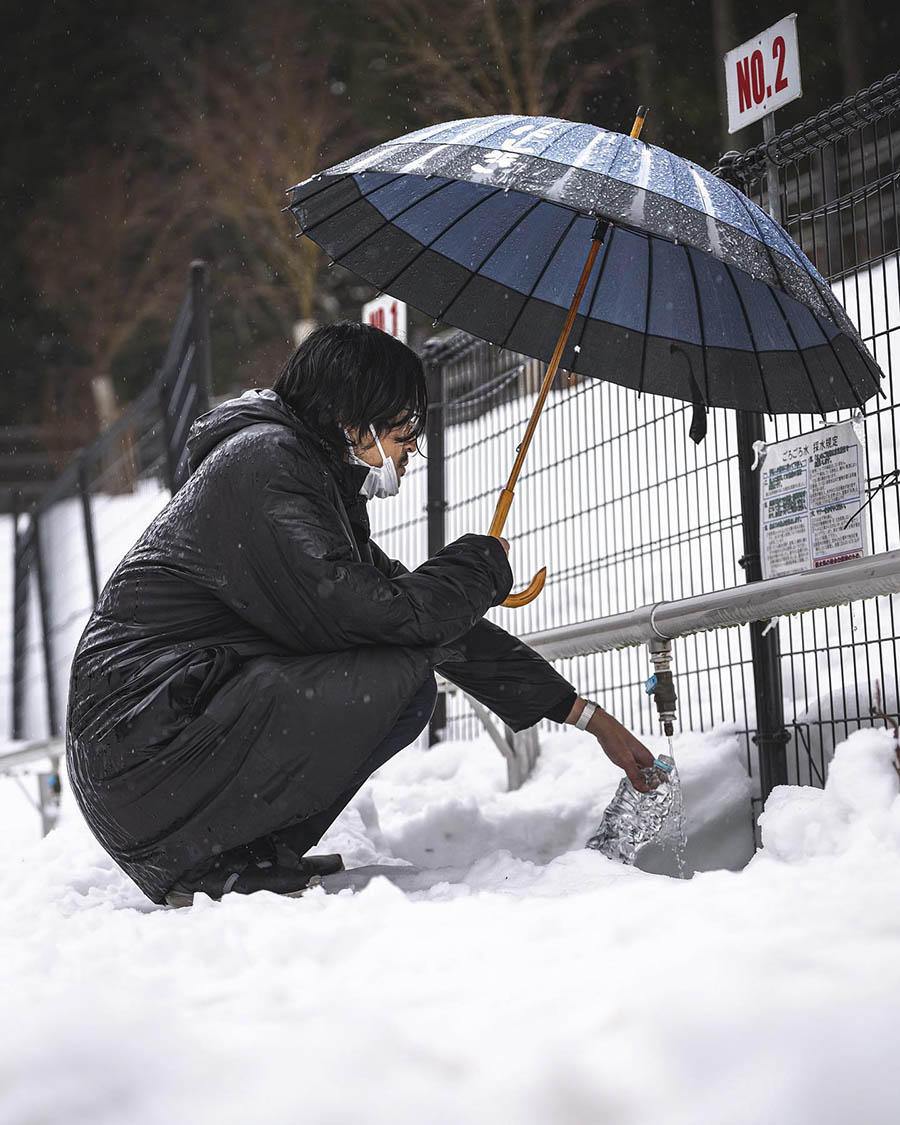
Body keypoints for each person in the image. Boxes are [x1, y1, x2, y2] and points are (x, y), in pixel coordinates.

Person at [66, 322, 656, 906]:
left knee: (403, 683)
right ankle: (214, 865)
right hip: (145, 752)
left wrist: (586, 716)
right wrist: (479, 568)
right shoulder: (268, 469)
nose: (410, 452)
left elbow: (417, 617)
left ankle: (249, 854)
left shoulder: (303, 475)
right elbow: (387, 619)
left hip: (163, 746)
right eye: (405, 433)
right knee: (395, 679)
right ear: (354, 423)